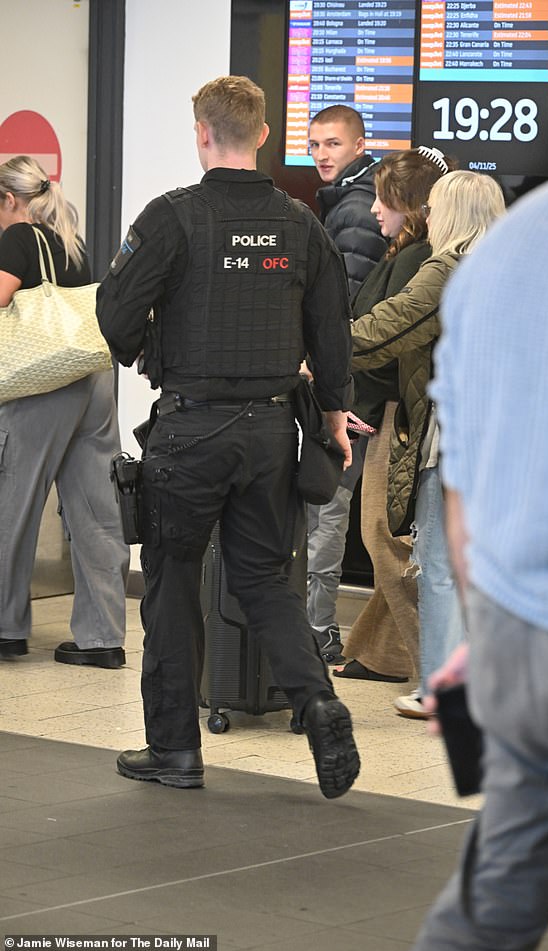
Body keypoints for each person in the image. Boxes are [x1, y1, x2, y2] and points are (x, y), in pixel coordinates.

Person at [415, 18, 548, 950]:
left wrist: (482, 632)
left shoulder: (497, 253)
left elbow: (464, 475)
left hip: (510, 631)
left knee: (500, 888)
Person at [96, 75, 360, 799]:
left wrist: (156, 342)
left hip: (190, 432)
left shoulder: (172, 218)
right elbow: (332, 335)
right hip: (273, 430)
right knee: (263, 581)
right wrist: (333, 414)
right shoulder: (301, 225)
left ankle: (175, 750)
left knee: (174, 584)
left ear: (202, 134)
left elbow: (115, 320)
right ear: (265, 135)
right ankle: (317, 701)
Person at [338, 172, 505, 713]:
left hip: (456, 432)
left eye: (433, 208)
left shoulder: (448, 268)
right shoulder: (510, 267)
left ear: (453, 213)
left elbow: (395, 323)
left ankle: (440, 688)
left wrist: (326, 351)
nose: (426, 218)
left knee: (436, 560)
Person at [329, 146, 454, 686]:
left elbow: (386, 338)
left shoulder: (413, 261)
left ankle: (439, 664)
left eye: (386, 200)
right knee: (395, 540)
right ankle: (384, 654)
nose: (375, 210)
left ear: (413, 204)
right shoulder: (404, 253)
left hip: (393, 416)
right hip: (393, 412)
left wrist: (335, 376)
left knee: (384, 540)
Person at [0, 155, 129, 668]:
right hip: (92, 378)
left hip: (42, 382)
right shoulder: (70, 239)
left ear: (10, 200)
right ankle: (103, 638)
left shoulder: (17, 237)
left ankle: (6, 629)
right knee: (97, 510)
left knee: (14, 504)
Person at [305, 104, 387, 664]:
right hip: (350, 386)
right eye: (314, 145)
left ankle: (317, 629)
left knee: (327, 509)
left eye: (333, 144)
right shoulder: (347, 205)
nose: (322, 156)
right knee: (326, 510)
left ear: (360, 146)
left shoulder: (355, 211)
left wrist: (320, 371)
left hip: (346, 389)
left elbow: (343, 315)